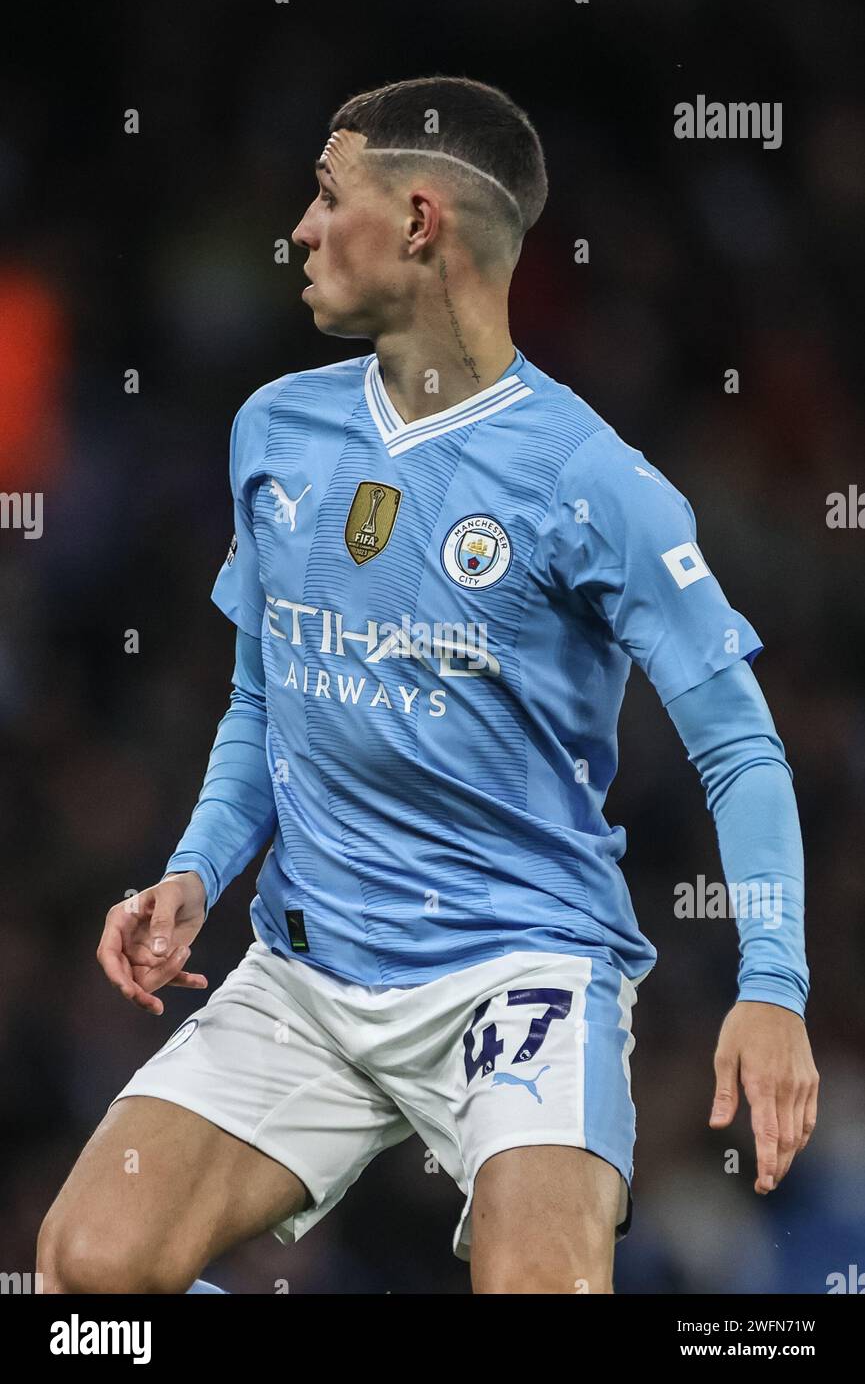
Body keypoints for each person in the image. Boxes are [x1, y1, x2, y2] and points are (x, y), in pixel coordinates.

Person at [38, 76, 818, 1295]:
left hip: (518, 967)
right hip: (309, 967)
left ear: (415, 221)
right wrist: (196, 868)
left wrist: (769, 986)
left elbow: (739, 747)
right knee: (87, 1270)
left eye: (324, 191)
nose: (297, 228)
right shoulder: (273, 430)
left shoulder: (595, 483)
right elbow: (262, 697)